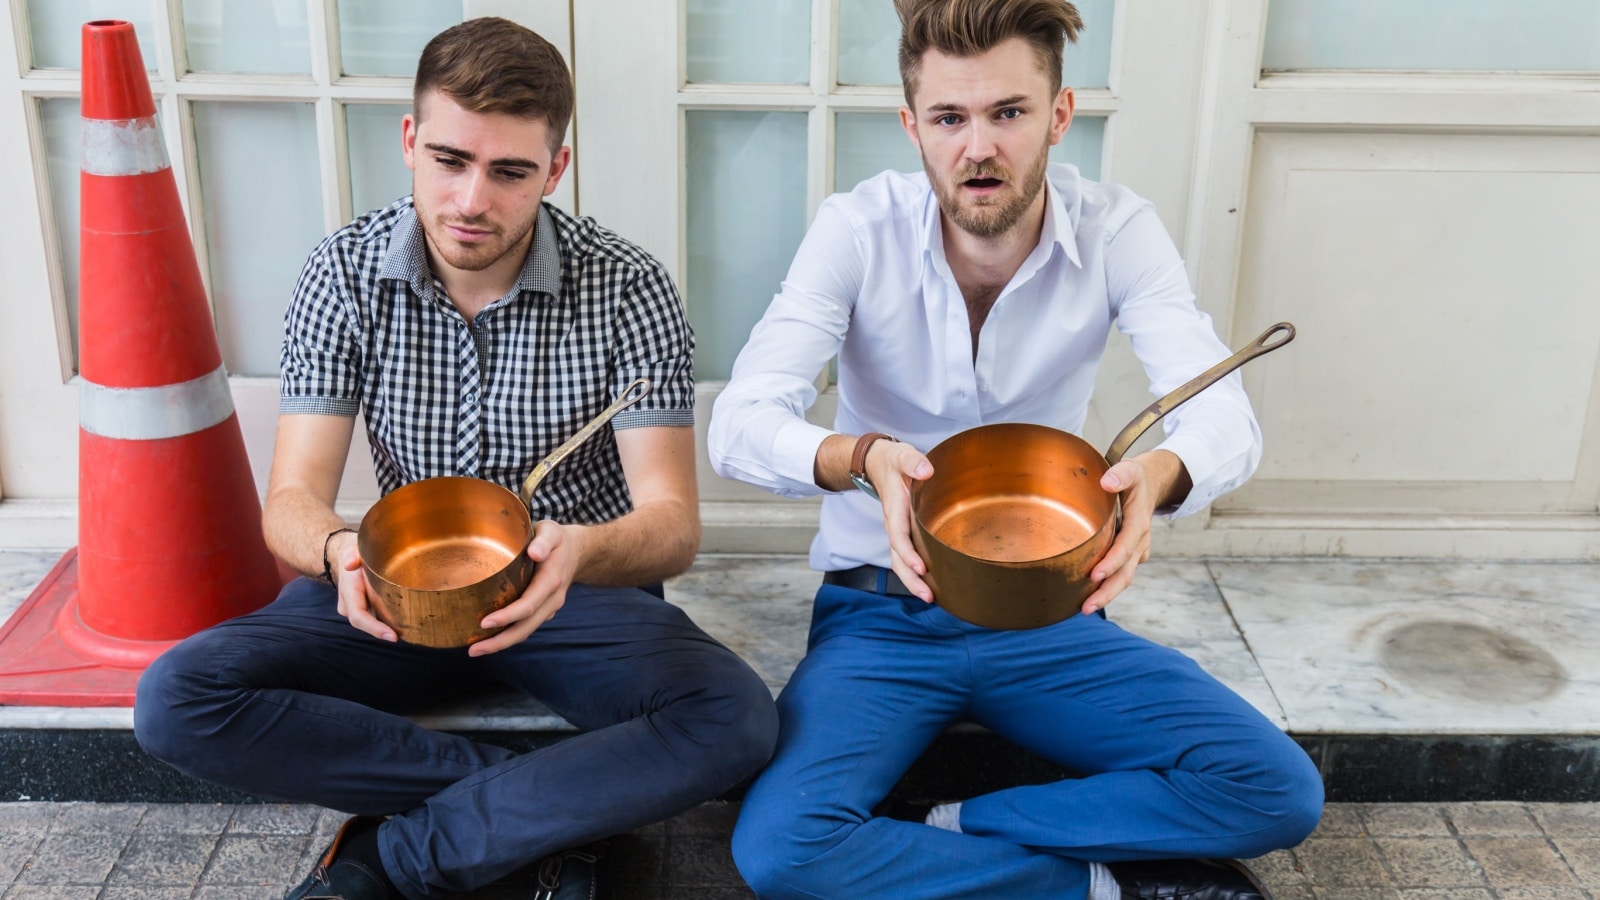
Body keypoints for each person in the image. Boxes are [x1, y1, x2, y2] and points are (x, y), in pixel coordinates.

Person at [133, 17, 778, 900]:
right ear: (409, 142)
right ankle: (549, 806)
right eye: (449, 160)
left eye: (510, 171)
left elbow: (671, 529)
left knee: (735, 720)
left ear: (555, 170)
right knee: (176, 698)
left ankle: (390, 862)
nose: (472, 200)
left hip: (571, 595)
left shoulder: (631, 287)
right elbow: (290, 501)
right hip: (397, 593)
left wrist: (581, 552)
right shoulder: (343, 274)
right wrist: (337, 551)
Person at [707, 0, 1323, 897]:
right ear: (912, 124)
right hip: (882, 615)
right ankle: (1099, 885)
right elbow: (740, 421)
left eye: (1009, 113)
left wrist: (1160, 477)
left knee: (1278, 790)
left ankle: (955, 829)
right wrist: (864, 457)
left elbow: (1226, 417)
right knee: (778, 850)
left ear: (1059, 116)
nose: (979, 148)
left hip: (1052, 618)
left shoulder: (1118, 231)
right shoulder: (856, 228)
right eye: (951, 119)